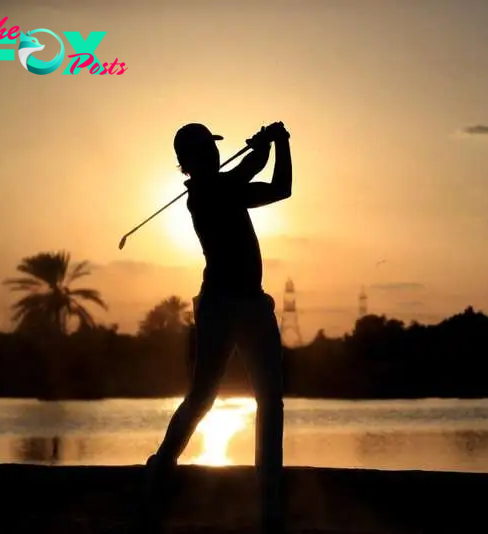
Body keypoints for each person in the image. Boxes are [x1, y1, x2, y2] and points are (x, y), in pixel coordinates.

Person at [140, 121, 292, 534]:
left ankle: (269, 491)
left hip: (251, 304)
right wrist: (276, 143)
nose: (211, 155)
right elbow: (271, 181)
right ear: (191, 163)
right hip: (222, 306)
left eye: (211, 150)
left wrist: (268, 146)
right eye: (204, 151)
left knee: (270, 400)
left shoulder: (220, 187)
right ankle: (162, 466)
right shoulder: (209, 194)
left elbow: (268, 181)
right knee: (203, 395)